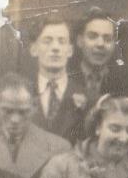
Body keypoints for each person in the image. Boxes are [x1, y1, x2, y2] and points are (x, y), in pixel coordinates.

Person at [0, 72, 71, 178]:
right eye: (8, 111)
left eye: (22, 112)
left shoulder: (58, 148)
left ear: (34, 107)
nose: (15, 120)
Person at [28, 14, 88, 142]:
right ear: (34, 49)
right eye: (47, 41)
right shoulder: (23, 93)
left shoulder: (87, 96)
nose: (55, 48)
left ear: (70, 50)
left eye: (62, 41)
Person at [69, 8, 128, 107]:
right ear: (80, 41)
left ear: (114, 44)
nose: (100, 44)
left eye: (107, 39)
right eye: (92, 36)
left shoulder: (125, 83)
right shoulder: (66, 78)